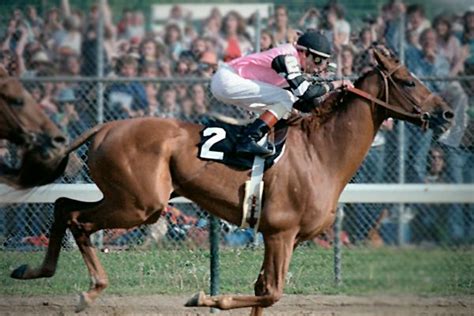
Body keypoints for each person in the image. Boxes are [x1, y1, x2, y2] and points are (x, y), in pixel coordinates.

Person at [210, 31, 352, 156]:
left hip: (230, 81)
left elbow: (307, 103)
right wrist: (336, 84)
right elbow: (305, 93)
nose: (317, 67)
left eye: (323, 62)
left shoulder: (294, 61)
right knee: (285, 98)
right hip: (227, 79)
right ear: (303, 52)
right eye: (317, 60)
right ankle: (248, 140)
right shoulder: (289, 56)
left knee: (284, 108)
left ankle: (254, 140)